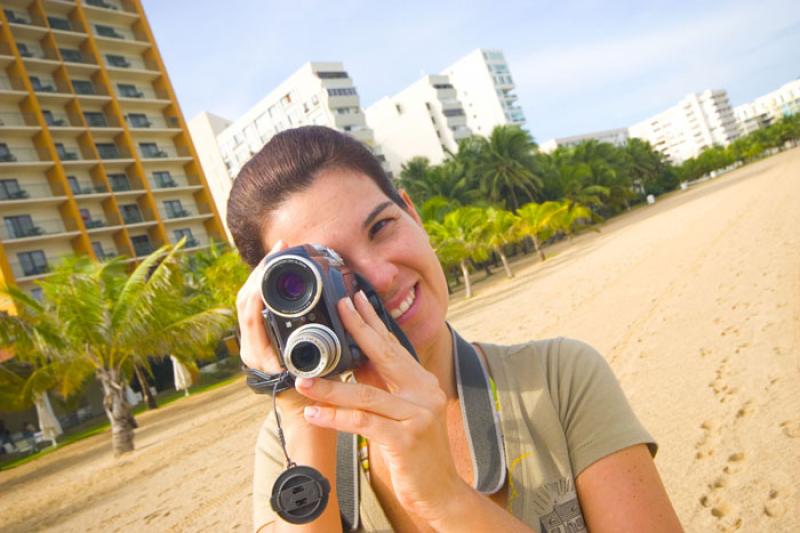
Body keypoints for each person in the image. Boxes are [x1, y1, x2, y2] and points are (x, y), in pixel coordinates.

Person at [229, 126, 682, 532]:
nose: (381, 276)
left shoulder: (558, 377)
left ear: (413, 213)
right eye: (332, 268)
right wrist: (297, 407)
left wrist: (443, 498)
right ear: (279, 303)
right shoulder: (289, 442)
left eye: (381, 226)